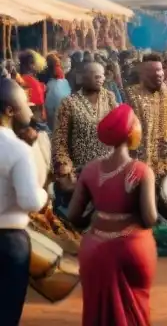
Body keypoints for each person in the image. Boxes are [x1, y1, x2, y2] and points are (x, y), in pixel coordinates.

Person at [69, 104, 158, 325]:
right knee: (134, 308)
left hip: (95, 249)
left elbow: (73, 216)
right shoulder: (141, 171)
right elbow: (149, 219)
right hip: (132, 249)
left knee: (97, 311)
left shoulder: (90, 169)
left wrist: (97, 215)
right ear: (131, 132)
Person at [0, 78, 48, 326]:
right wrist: (44, 194)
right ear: (9, 110)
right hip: (9, 242)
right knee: (6, 310)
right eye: (24, 105)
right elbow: (30, 201)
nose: (29, 110)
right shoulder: (18, 150)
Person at [52, 61, 118, 199]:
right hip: (82, 172)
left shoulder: (110, 98)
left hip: (110, 169)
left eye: (102, 76)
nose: (102, 79)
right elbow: (59, 139)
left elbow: (120, 127)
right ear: (83, 77)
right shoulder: (69, 103)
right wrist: (64, 164)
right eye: (97, 76)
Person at [125, 53, 167, 180]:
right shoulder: (130, 95)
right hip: (141, 165)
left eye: (159, 70)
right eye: (151, 71)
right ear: (142, 75)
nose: (158, 74)